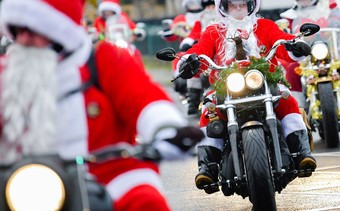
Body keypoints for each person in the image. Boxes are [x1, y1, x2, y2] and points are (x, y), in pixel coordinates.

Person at [0, 0, 204, 210]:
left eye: (34, 30)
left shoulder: (102, 58)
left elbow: (142, 97)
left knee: (145, 201)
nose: (24, 39)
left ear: (59, 30)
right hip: (26, 181)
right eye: (18, 30)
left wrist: (166, 129)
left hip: (107, 174)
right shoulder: (7, 74)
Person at [176, 0, 317, 194]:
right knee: (209, 110)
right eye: (233, 5)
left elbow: (281, 39)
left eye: (243, 4)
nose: (238, 10)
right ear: (223, 8)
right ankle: (207, 167)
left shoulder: (264, 25)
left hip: (265, 81)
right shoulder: (213, 30)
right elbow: (201, 50)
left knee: (286, 99)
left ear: (251, 6)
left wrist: (294, 44)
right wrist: (189, 60)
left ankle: (302, 153)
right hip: (225, 86)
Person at [280, 0, 340, 113]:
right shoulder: (290, 15)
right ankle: (297, 107)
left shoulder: (334, 6)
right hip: (306, 54)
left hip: (333, 49)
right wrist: (284, 34)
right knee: (292, 69)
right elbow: (284, 31)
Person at [180, 0, 221, 115]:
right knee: (195, 69)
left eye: (213, 5)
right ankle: (193, 101)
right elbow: (194, 33)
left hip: (222, 53)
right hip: (207, 53)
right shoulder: (202, 20)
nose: (211, 8)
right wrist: (187, 42)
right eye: (208, 6)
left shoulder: (225, 19)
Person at [159, 0, 203, 100]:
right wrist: (169, 31)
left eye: (197, 3)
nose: (194, 6)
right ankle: (184, 86)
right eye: (191, 3)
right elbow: (173, 32)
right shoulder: (181, 19)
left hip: (208, 47)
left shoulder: (207, 15)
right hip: (187, 49)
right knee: (179, 58)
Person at [93, 0, 145, 68]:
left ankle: (139, 72)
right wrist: (100, 37)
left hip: (123, 42)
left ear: (114, 10)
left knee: (135, 52)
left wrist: (135, 32)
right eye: (105, 10)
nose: (107, 13)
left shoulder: (122, 16)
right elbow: (97, 34)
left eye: (109, 10)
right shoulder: (99, 20)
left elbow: (132, 28)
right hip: (106, 46)